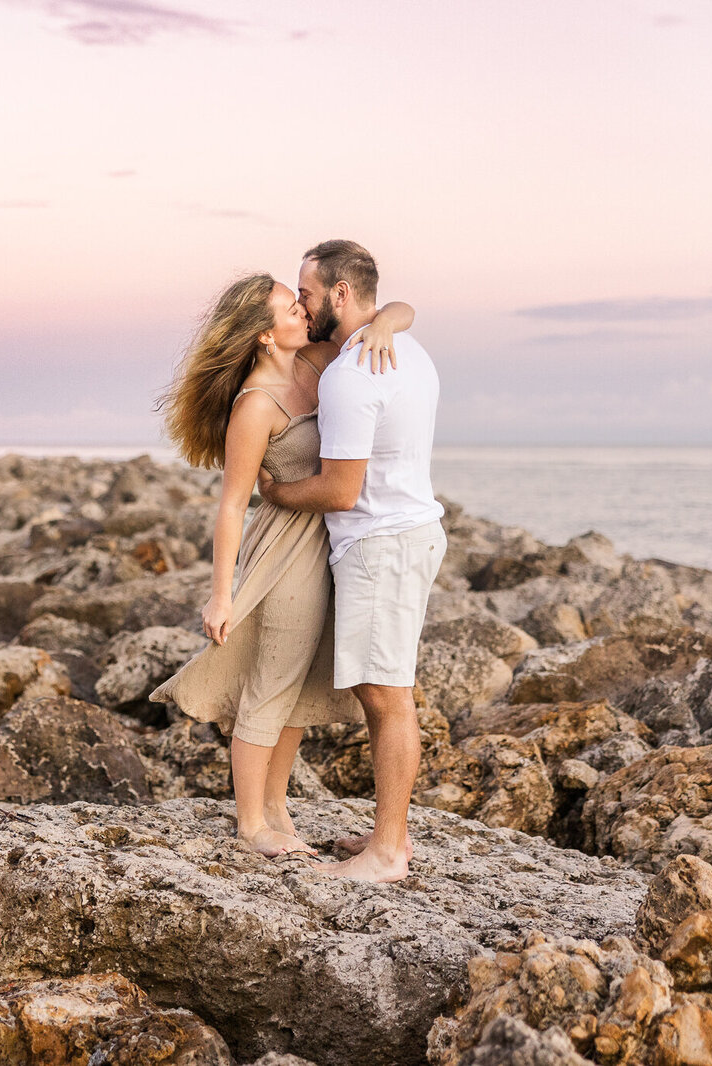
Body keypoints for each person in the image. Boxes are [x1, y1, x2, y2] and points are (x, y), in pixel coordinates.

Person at [150, 272, 413, 857]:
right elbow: (230, 509)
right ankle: (249, 824)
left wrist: (390, 321)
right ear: (265, 335)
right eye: (292, 309)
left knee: (295, 690)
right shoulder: (254, 406)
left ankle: (275, 807)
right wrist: (222, 595)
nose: (304, 314)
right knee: (269, 686)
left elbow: (394, 310)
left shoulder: (315, 365)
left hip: (323, 544)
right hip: (283, 552)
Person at [259, 239, 445, 883]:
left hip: (381, 545)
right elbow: (402, 309)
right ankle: (384, 836)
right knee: (384, 689)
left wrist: (277, 492)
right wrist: (395, 312)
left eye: (307, 293)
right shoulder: (405, 348)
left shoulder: (350, 373)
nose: (302, 304)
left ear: (341, 294)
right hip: (408, 533)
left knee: (386, 695)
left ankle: (389, 851)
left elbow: (340, 489)